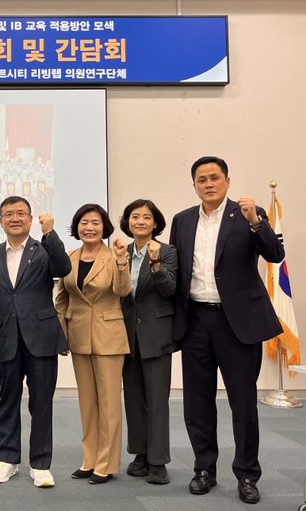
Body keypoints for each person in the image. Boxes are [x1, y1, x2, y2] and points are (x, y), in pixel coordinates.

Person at [169, 156, 284, 504]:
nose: (208, 184)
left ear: (228, 181)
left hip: (237, 323)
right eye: (201, 179)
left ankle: (247, 474)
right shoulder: (182, 220)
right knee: (197, 403)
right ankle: (204, 468)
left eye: (214, 177)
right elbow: (178, 271)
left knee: (243, 404)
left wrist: (256, 223)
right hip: (196, 321)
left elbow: (275, 254)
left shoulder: (248, 213)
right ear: (194, 185)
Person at [0, 196, 70, 488]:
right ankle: (7, 459)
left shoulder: (44, 250)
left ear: (30, 219)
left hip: (41, 338)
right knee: (8, 400)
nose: (15, 218)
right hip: (6, 338)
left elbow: (63, 268)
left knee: (41, 403)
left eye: (21, 213)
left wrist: (50, 233)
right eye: (9, 214)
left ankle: (40, 464)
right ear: (0, 221)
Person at [55, 204, 131, 485]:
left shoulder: (114, 256)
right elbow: (61, 299)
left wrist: (122, 262)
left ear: (104, 227)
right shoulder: (69, 258)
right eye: (84, 222)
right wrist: (60, 335)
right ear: (77, 227)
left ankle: (106, 464)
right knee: (87, 403)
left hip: (109, 335)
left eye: (95, 223)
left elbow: (123, 290)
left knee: (109, 404)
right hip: (78, 336)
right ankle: (89, 459)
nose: (90, 227)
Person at [118, 199, 177, 485]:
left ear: (155, 223)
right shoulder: (122, 252)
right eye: (135, 217)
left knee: (156, 401)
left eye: (146, 217)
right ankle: (140, 454)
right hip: (126, 335)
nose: (140, 221)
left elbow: (170, 289)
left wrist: (155, 263)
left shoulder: (167, 251)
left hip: (156, 334)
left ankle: (158, 460)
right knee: (133, 399)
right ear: (127, 222)